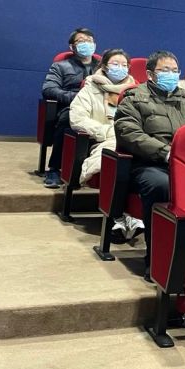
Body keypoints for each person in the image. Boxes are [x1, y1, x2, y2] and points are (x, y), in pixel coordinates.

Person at [114, 50, 185, 277]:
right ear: (150, 74)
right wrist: (165, 152)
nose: (171, 74)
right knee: (162, 185)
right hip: (148, 164)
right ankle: (157, 260)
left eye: (175, 71)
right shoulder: (134, 97)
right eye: (165, 70)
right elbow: (129, 133)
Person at [69, 49, 142, 238]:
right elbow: (77, 119)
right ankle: (117, 216)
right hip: (101, 139)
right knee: (117, 157)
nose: (120, 68)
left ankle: (130, 215)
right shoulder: (90, 88)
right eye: (115, 64)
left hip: (132, 140)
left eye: (124, 65)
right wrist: (108, 132)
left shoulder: (137, 92)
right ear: (104, 66)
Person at [40, 27, 99, 188]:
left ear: (94, 45)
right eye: (81, 41)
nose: (86, 44)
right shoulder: (60, 66)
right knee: (68, 119)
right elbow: (49, 89)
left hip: (99, 108)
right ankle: (54, 168)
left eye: (89, 40)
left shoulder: (103, 67)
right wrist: (77, 98)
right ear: (72, 46)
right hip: (71, 107)